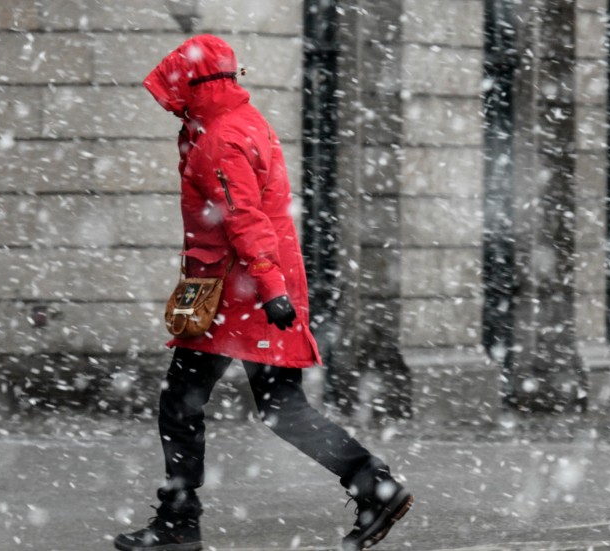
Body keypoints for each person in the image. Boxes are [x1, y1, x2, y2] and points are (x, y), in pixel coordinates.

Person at [114, 35, 413, 551]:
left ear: (195, 86)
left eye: (178, 90)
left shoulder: (218, 140)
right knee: (282, 407)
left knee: (181, 403)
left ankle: (179, 520)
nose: (173, 102)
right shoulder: (245, 123)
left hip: (238, 295)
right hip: (259, 285)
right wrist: (277, 287)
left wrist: (269, 289)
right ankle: (374, 484)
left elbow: (242, 218)